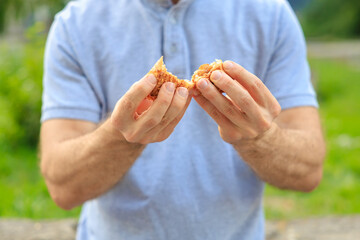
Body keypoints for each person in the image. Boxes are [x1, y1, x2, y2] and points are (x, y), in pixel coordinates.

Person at [40, 0, 325, 239]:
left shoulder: (270, 14)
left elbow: (308, 171)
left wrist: (260, 138)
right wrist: (120, 137)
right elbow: (63, 188)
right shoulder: (75, 24)